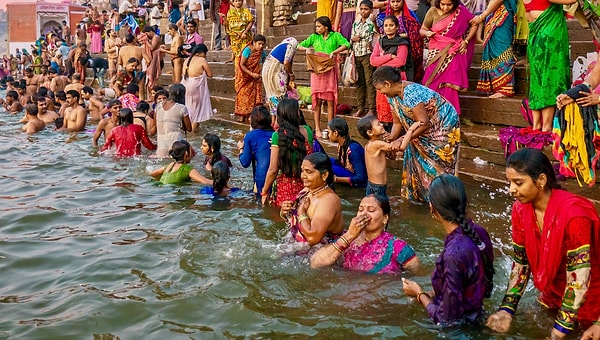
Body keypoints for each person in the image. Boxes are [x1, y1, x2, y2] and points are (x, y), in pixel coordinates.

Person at [486, 148, 600, 338]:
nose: (511, 189)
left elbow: (579, 279)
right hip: (553, 294)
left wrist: (559, 331)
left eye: (518, 183)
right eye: (510, 182)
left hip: (592, 299)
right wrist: (506, 310)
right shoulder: (520, 210)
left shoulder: (574, 216)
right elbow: (521, 264)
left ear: (541, 180)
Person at [402, 174, 495, 325]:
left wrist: (419, 294)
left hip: (463, 329)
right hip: (478, 315)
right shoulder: (480, 232)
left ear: (432, 207)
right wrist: (434, 294)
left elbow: (447, 320)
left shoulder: (453, 254)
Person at [372, 66, 460, 202]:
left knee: (438, 164)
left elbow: (424, 123)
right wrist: (391, 138)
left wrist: (402, 139)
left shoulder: (410, 92)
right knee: (415, 157)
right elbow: (397, 123)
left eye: (380, 89)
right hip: (419, 129)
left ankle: (442, 200)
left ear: (387, 84)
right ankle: (421, 196)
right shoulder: (392, 97)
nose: (380, 92)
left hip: (442, 125)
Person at [310, 194, 421, 272]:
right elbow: (315, 263)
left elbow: (416, 275)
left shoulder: (397, 247)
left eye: (371, 210)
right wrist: (349, 236)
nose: (364, 214)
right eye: (361, 209)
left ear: (385, 218)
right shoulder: (346, 239)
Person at [521, 0, 571, 131]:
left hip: (535, 38)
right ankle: (546, 127)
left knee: (537, 82)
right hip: (549, 38)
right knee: (550, 81)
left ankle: (536, 125)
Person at [420, 0, 478, 114]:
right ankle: (431, 114)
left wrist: (466, 41)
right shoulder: (432, 11)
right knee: (430, 80)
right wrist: (427, 33)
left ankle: (449, 115)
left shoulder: (461, 12)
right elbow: (422, 29)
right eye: (443, 4)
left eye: (449, 4)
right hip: (435, 51)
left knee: (449, 85)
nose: (446, 7)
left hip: (453, 53)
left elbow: (475, 23)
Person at [298, 16, 350, 138]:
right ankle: (317, 128)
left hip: (329, 70)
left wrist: (335, 52)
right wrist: (307, 49)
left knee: (330, 100)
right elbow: (299, 45)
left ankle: (329, 127)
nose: (317, 28)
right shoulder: (314, 37)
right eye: (316, 26)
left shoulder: (335, 36)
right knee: (317, 101)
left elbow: (346, 44)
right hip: (317, 71)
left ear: (326, 27)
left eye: (319, 26)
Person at [279, 152, 344, 245]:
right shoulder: (307, 191)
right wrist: (284, 212)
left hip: (321, 253)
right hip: (299, 247)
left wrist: (301, 211)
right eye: (302, 171)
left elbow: (313, 238)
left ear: (324, 175)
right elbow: (291, 219)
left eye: (308, 172)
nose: (303, 176)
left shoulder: (328, 200)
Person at [261, 98, 314, 206]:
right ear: (297, 114)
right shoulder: (308, 131)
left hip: (285, 188)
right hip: (306, 186)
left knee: (284, 218)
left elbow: (273, 170)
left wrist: (264, 191)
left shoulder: (277, 136)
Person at [357, 115, 421, 197]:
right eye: (378, 124)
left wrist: (389, 142)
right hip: (377, 187)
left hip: (376, 186)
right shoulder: (376, 144)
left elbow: (393, 157)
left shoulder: (375, 144)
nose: (382, 125)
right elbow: (402, 147)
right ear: (370, 132)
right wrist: (411, 130)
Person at [371, 15, 410, 132]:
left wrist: (381, 61)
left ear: (397, 27)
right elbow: (373, 61)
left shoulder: (402, 43)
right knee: (384, 110)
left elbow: (400, 61)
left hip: (396, 78)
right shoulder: (380, 42)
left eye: (391, 25)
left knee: (397, 110)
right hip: (382, 79)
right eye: (386, 25)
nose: (388, 28)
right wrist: (389, 56)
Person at [470, 0, 517, 98]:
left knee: (502, 50)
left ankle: (505, 88)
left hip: (503, 13)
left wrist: (482, 16)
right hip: (493, 13)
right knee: (493, 49)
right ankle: (494, 85)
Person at [377, 0, 424, 83]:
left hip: (406, 52)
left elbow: (416, 34)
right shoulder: (383, 17)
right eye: (393, 1)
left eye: (398, 1)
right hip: (387, 51)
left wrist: (403, 37)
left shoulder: (410, 16)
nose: (395, 4)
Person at [238, 105, 274, 196]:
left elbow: (245, 162)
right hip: (277, 178)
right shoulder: (275, 134)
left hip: (262, 178)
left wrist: (241, 148)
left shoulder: (250, 136)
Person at [261, 37, 298, 121]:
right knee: (279, 96)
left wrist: (288, 83)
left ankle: (274, 121)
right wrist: (291, 74)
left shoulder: (280, 46)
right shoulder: (291, 45)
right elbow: (286, 63)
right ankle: (280, 122)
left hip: (266, 71)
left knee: (272, 97)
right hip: (275, 71)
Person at [351, 0, 376, 118]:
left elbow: (376, 35)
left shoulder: (372, 23)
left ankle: (371, 109)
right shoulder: (356, 23)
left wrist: (357, 37)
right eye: (361, 9)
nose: (363, 11)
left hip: (368, 55)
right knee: (359, 82)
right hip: (356, 55)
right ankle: (360, 107)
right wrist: (353, 39)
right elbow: (351, 38)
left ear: (371, 10)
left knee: (369, 82)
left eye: (366, 9)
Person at [326, 117, 367, 188]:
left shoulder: (353, 149)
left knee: (329, 167)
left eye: (329, 132)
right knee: (326, 160)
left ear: (335, 133)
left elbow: (361, 177)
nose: (328, 135)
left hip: (360, 182)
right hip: (347, 171)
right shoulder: (341, 144)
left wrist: (337, 179)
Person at [181, 44, 214, 131]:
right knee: (196, 112)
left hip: (185, 86)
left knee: (188, 109)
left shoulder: (187, 60)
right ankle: (193, 134)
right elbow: (210, 74)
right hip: (196, 87)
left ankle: (191, 130)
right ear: (201, 52)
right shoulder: (202, 60)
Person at [234, 34, 266, 122]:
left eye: (263, 44)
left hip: (256, 77)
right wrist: (251, 74)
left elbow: (264, 62)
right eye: (259, 44)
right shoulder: (247, 50)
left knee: (255, 96)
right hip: (245, 77)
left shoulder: (262, 52)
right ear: (254, 43)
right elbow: (242, 64)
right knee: (243, 95)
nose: (261, 46)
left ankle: (252, 115)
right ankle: (242, 115)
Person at [155, 84, 192, 157]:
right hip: (176, 146)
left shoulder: (158, 106)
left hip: (161, 146)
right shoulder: (182, 108)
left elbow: (156, 125)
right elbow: (189, 128)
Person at [142, 26, 162, 97]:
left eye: (147, 34)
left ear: (150, 32)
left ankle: (153, 95)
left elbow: (152, 47)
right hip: (153, 59)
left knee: (153, 79)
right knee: (151, 79)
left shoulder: (156, 37)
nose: (147, 36)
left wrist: (146, 41)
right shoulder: (153, 38)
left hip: (156, 60)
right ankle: (151, 95)